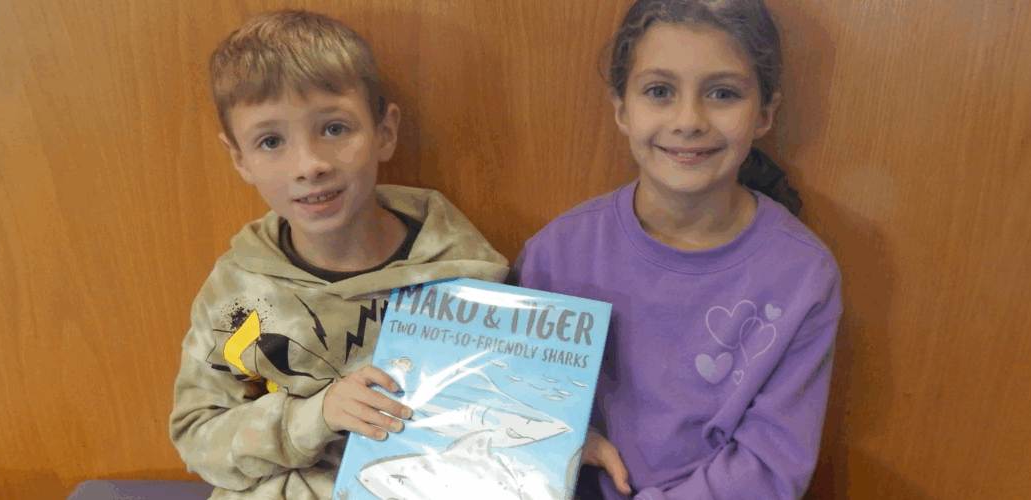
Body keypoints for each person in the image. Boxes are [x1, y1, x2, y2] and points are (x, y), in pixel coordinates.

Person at [169, 10, 508, 499]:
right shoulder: (238, 294)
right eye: (271, 141)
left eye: (333, 129)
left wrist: (565, 440)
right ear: (240, 158)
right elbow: (198, 437)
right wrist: (314, 416)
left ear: (384, 132)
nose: (309, 165)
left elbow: (504, 403)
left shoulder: (465, 274)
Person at [512, 1, 843, 499]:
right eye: (660, 91)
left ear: (764, 113)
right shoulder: (555, 255)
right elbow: (508, 410)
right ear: (621, 109)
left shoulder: (803, 276)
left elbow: (769, 468)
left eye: (723, 93)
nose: (689, 120)